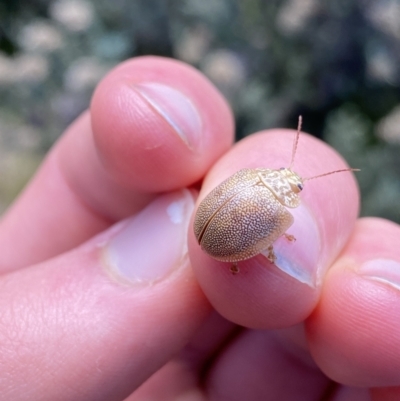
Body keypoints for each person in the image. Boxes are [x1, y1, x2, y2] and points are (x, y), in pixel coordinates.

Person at [0, 56, 398, 401]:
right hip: (217, 240)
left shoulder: (263, 189)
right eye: (290, 176)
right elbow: (263, 235)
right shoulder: (281, 215)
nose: (290, 176)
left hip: (216, 234)